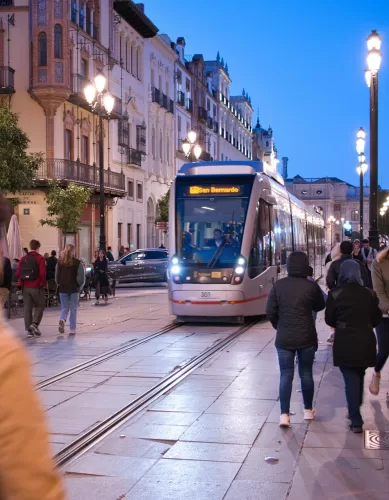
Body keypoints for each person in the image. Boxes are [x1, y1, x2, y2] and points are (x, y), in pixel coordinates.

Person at [266, 252, 325, 428]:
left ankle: (284, 415)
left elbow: (270, 311)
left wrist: (280, 326)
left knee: (286, 374)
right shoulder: (311, 286)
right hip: (306, 336)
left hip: (284, 337)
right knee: (305, 373)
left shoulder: (278, 286)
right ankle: (307, 410)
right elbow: (320, 305)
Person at [325, 260, 382, 433]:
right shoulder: (370, 294)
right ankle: (355, 408)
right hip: (365, 339)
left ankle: (356, 419)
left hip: (345, 341)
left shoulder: (335, 294)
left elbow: (329, 319)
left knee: (350, 377)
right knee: (359, 373)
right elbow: (376, 319)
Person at [16, 239, 46, 338]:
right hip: (36, 286)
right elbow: (42, 273)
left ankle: (29, 331)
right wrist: (42, 283)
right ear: (38, 247)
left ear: (30, 246)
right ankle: (34, 324)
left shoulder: (23, 258)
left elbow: (17, 273)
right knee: (40, 305)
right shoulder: (40, 258)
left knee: (27, 309)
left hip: (25, 287)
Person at [369, 247, 389, 395]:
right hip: (384, 315)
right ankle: (376, 372)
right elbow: (379, 290)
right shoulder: (379, 262)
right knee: (384, 350)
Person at [56, 244, 85, 335]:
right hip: (74, 288)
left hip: (63, 288)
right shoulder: (77, 263)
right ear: (74, 251)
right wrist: (80, 286)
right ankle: (72, 329)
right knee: (73, 308)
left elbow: (57, 277)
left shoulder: (59, 263)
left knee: (64, 307)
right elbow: (81, 278)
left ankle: (62, 319)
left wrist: (59, 283)